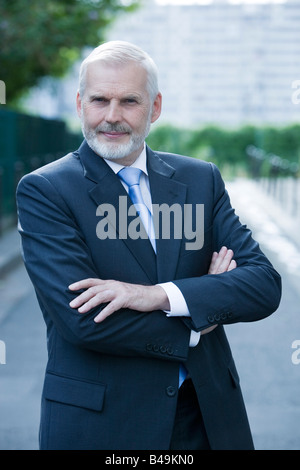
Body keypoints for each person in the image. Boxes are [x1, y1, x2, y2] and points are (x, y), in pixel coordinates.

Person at [16, 40, 281, 451]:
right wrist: (198, 316)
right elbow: (84, 319)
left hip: (208, 417)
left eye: (129, 101)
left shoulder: (200, 180)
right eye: (100, 100)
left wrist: (158, 296)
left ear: (155, 108)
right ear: (80, 103)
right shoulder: (46, 190)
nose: (112, 116)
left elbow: (263, 284)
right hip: (105, 425)